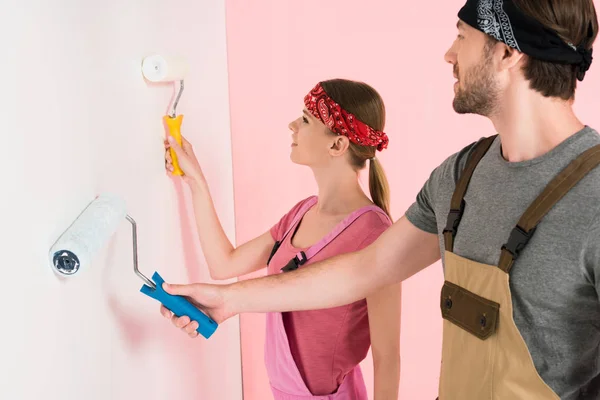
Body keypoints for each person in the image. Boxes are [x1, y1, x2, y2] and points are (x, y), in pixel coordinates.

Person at [162, 0, 600, 398]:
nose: (449, 54)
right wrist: (231, 301)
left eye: (463, 37)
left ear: (508, 52)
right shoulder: (459, 177)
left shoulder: (594, 196)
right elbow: (368, 268)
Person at [162, 79, 402, 399]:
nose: (292, 126)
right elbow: (224, 264)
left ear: (337, 145)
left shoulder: (375, 233)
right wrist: (197, 182)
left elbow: (387, 357)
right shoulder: (301, 212)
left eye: (305, 120)